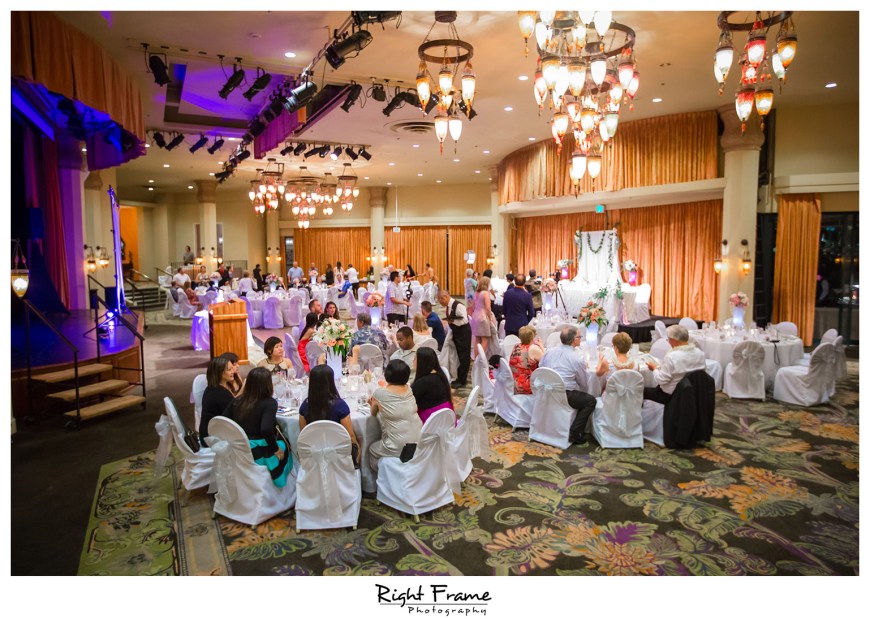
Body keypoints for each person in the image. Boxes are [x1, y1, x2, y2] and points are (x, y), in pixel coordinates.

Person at [224, 367, 291, 487]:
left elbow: (224, 419)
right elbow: (265, 429)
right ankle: (283, 486)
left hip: (237, 448)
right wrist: (276, 449)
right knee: (286, 446)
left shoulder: (239, 400)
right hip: (256, 451)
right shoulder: (269, 403)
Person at [539, 325, 606, 445]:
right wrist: (585, 369)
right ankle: (576, 432)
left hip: (546, 391)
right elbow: (584, 384)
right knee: (590, 401)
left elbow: (541, 368)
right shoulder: (576, 358)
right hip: (564, 395)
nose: (580, 339)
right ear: (574, 340)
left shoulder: (549, 352)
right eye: (580, 337)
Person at [298, 365, 360, 466]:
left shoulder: (305, 406)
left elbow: (304, 435)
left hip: (314, 454)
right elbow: (350, 436)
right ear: (330, 382)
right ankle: (354, 470)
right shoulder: (340, 406)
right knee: (359, 440)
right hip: (338, 455)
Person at [367, 360, 423, 473]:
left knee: (371, 449)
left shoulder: (379, 393)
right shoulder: (409, 389)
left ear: (387, 375)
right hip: (419, 441)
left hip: (397, 447)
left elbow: (373, 413)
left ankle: (383, 479)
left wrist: (371, 403)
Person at [643, 324, 707, 405]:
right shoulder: (700, 353)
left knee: (640, 390)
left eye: (668, 340)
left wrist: (654, 369)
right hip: (694, 392)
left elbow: (661, 380)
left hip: (673, 395)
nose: (668, 342)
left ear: (674, 340)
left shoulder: (672, 357)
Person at [198, 356, 236, 446]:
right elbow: (236, 414)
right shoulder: (220, 394)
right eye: (229, 370)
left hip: (207, 434)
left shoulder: (212, 387)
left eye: (232, 368)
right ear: (219, 372)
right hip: (213, 439)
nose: (232, 372)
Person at [411, 347, 454, 424]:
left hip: (431, 422)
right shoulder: (440, 375)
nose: (413, 360)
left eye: (415, 358)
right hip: (447, 419)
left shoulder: (423, 382)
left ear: (422, 362)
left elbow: (410, 401)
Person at [438, 290, 471, 388]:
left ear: (444, 297)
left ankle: (463, 380)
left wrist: (452, 321)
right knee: (458, 355)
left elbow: (465, 320)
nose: (440, 303)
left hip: (463, 332)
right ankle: (459, 377)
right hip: (457, 332)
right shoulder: (449, 306)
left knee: (464, 356)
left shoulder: (458, 305)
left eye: (440, 300)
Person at [510, 326, 545, 395]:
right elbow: (547, 359)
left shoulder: (516, 346)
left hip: (512, 383)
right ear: (532, 337)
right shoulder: (533, 348)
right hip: (525, 385)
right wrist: (541, 346)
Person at [502, 273, 536, 337]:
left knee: (509, 345)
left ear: (514, 281)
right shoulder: (527, 295)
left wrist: (508, 317)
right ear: (524, 283)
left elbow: (504, 309)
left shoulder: (507, 294)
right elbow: (531, 313)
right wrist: (526, 320)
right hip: (522, 324)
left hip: (510, 324)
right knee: (522, 345)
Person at [470, 276, 495, 359]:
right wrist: (490, 317)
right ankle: (482, 360)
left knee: (477, 339)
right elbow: (488, 308)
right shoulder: (485, 293)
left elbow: (472, 306)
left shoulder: (476, 293)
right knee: (485, 340)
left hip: (475, 317)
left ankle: (476, 359)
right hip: (483, 317)